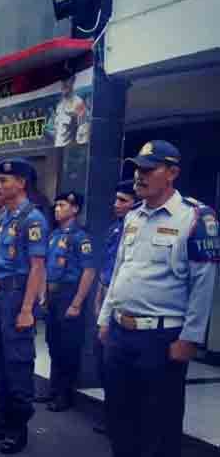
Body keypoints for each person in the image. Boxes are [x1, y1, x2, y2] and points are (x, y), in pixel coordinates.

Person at [97, 140, 219, 457]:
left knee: (158, 426)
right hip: (121, 333)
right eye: (138, 168)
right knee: (119, 417)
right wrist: (105, 319)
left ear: (173, 173)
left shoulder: (195, 217)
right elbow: (121, 269)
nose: (139, 175)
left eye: (149, 169)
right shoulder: (133, 217)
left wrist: (190, 338)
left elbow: (203, 284)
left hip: (162, 337)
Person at [0, 157, 48, 455]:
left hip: (17, 299)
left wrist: (28, 309)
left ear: (22, 183)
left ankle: (18, 428)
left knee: (17, 364)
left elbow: (37, 267)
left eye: (4, 181)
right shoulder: (6, 216)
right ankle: (1, 420)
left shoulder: (33, 219)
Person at [37, 191, 96, 412]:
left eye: (62, 205)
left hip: (69, 294)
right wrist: (43, 294)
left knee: (68, 347)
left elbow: (89, 271)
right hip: (53, 295)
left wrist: (77, 302)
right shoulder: (53, 235)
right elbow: (44, 267)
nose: (57, 209)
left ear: (75, 209)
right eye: (56, 205)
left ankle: (65, 395)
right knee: (54, 344)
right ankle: (53, 389)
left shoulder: (81, 237)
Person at [92, 180, 136, 434]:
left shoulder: (136, 230)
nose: (116, 205)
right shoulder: (114, 230)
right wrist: (99, 299)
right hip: (107, 297)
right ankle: (112, 414)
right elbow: (106, 267)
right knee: (103, 362)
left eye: (123, 200)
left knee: (118, 365)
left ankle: (121, 419)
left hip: (123, 301)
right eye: (116, 199)